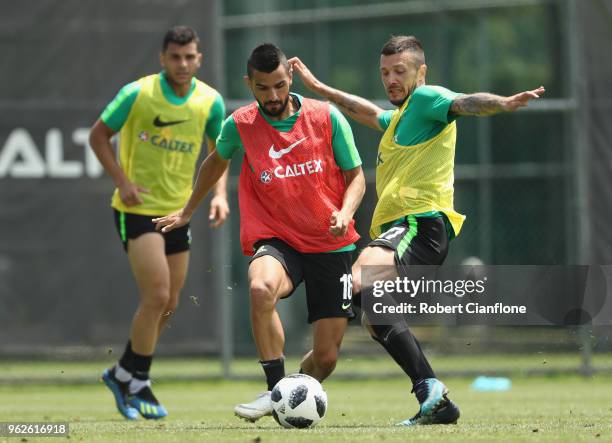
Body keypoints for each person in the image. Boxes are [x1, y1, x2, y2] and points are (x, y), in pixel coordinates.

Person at [289, 35, 545, 426]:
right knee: (376, 316)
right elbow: (369, 114)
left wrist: (503, 103)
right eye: (385, 72)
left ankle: (320, 366)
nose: (390, 79)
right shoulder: (402, 117)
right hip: (407, 230)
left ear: (420, 72)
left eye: (400, 71)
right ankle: (434, 396)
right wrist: (321, 90)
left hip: (419, 224)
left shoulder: (427, 100)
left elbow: (463, 102)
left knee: (355, 280)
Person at [153, 43, 366, 422]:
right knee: (260, 288)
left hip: (330, 243)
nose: (273, 96)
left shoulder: (327, 118)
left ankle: (289, 392)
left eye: (280, 86)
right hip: (277, 237)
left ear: (291, 79)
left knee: (327, 357)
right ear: (249, 84)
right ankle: (274, 388)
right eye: (263, 88)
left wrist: (345, 212)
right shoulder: (240, 124)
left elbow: (356, 178)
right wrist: (187, 211)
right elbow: (215, 161)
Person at [89, 26, 228, 420]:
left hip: (177, 213)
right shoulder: (138, 93)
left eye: (189, 57)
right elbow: (98, 136)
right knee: (157, 295)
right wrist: (122, 181)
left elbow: (219, 153)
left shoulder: (209, 101)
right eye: (175, 57)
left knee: (170, 303)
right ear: (162, 58)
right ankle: (140, 379)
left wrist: (218, 197)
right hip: (136, 211)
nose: (182, 64)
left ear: (199, 59)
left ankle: (121, 373)